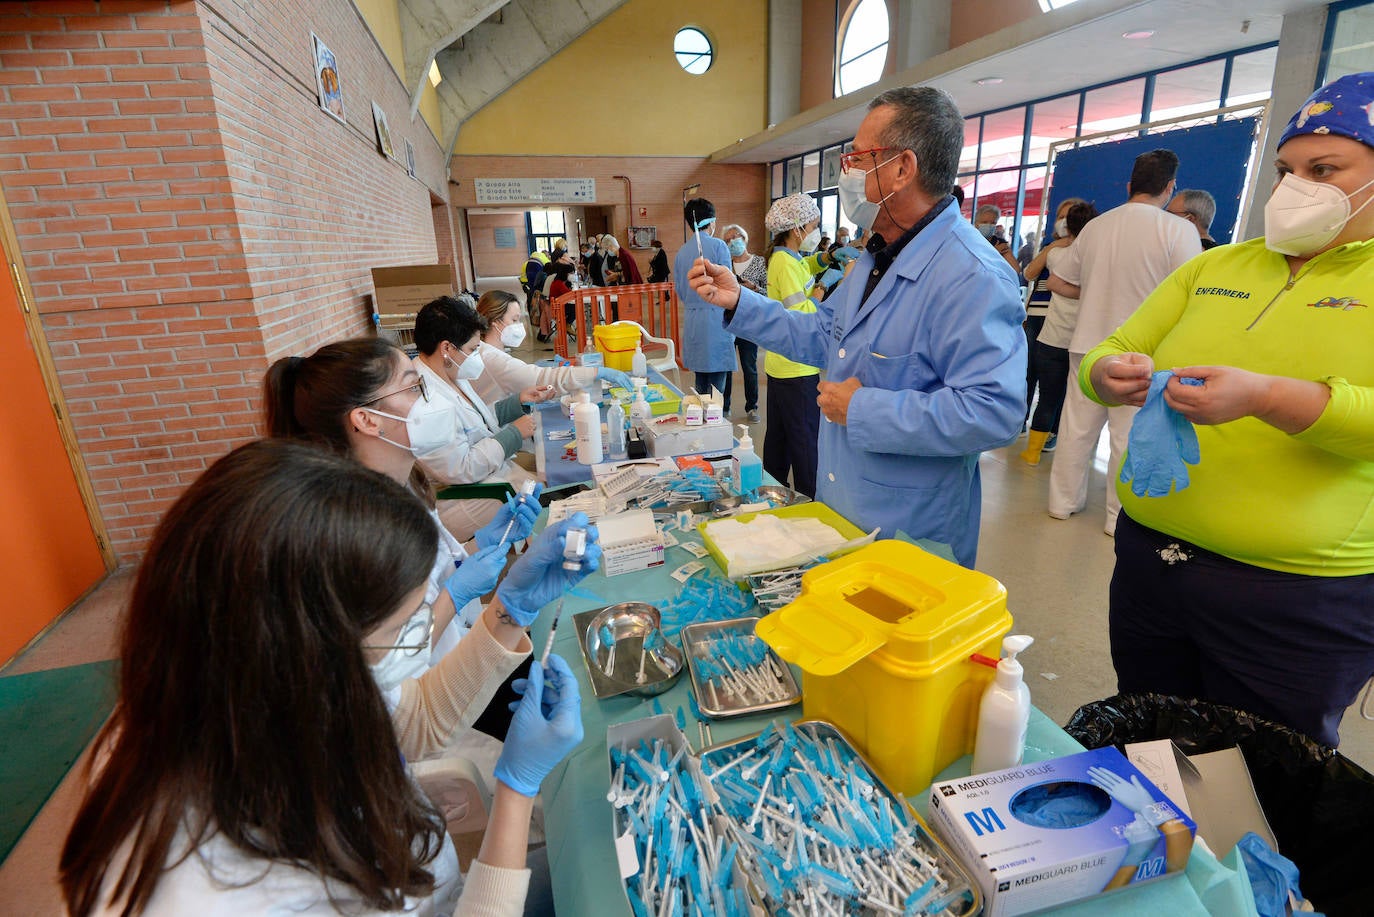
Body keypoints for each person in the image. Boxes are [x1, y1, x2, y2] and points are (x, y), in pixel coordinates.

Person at [59, 438, 595, 916]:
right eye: (404, 626)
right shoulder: (224, 891)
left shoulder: (246, 696)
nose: (425, 633)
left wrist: (509, 607)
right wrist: (515, 791)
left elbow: (413, 720)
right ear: (311, 648)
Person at [1082, 73, 1374, 747]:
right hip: (1153, 563)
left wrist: (1269, 396)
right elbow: (1116, 348)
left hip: (1297, 600)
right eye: (1285, 171)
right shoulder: (1219, 267)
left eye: (1323, 170)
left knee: (1260, 777)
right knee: (1150, 741)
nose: (1294, 188)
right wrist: (1109, 373)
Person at [688, 86, 1026, 567]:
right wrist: (740, 301)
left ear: (903, 168)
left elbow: (995, 412)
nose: (848, 171)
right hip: (844, 507)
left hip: (909, 532)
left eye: (859, 157)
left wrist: (865, 409)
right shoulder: (878, 255)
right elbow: (823, 335)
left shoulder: (971, 275)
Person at [1046, 148, 1201, 534]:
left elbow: (1062, 277)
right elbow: (1191, 292)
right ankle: (1118, 518)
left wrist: (1097, 291)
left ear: (1130, 185)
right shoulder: (1178, 230)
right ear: (1169, 187)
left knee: (1076, 427)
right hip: (1141, 350)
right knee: (1127, 436)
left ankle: (1061, 504)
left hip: (1088, 343)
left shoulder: (1097, 226)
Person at [410, 296, 541, 541]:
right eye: (472, 349)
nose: (476, 356)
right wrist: (513, 434)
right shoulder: (424, 400)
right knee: (543, 500)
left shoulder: (449, 373)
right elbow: (461, 468)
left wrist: (517, 402)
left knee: (544, 482)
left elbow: (474, 421)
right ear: (447, 348)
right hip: (464, 497)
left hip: (488, 476)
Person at [759, 194, 829, 496]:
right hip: (797, 366)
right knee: (804, 439)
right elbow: (801, 316)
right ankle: (810, 496)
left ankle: (773, 491)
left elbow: (803, 270)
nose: (816, 232)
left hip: (780, 362)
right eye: (814, 226)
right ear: (797, 229)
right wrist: (822, 293)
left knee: (780, 436)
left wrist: (824, 260)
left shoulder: (787, 257)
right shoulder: (783, 264)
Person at [1017, 196, 1089, 462]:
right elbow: (1030, 274)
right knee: (1032, 375)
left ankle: (1047, 437)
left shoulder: (1081, 251)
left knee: (1054, 388)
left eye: (1068, 217)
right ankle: (1025, 425)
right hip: (1039, 317)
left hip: (1060, 325)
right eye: (1060, 215)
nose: (1063, 222)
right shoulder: (1054, 248)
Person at [471, 289, 631, 405]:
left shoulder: (486, 350)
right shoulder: (493, 358)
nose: (520, 326)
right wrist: (597, 372)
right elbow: (542, 379)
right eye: (514, 320)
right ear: (495, 322)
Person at [675, 197, 737, 410]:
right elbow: (729, 288)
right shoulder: (719, 246)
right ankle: (716, 421)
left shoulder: (682, 252)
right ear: (711, 222)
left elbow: (681, 292)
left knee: (700, 381)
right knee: (717, 383)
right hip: (716, 319)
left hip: (693, 320)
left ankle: (699, 419)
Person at [721, 223, 767, 424]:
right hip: (729, 322)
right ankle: (725, 406)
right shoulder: (725, 264)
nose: (733, 242)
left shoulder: (759, 262)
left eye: (736, 237)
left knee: (750, 367)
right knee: (728, 367)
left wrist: (754, 288)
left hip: (750, 322)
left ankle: (752, 407)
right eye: (728, 240)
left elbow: (771, 292)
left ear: (744, 237)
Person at [974, 203, 1021, 273]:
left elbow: (1016, 270)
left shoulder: (1000, 243)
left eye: (993, 223)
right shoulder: (969, 241)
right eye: (984, 222)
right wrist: (994, 253)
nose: (989, 225)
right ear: (976, 223)